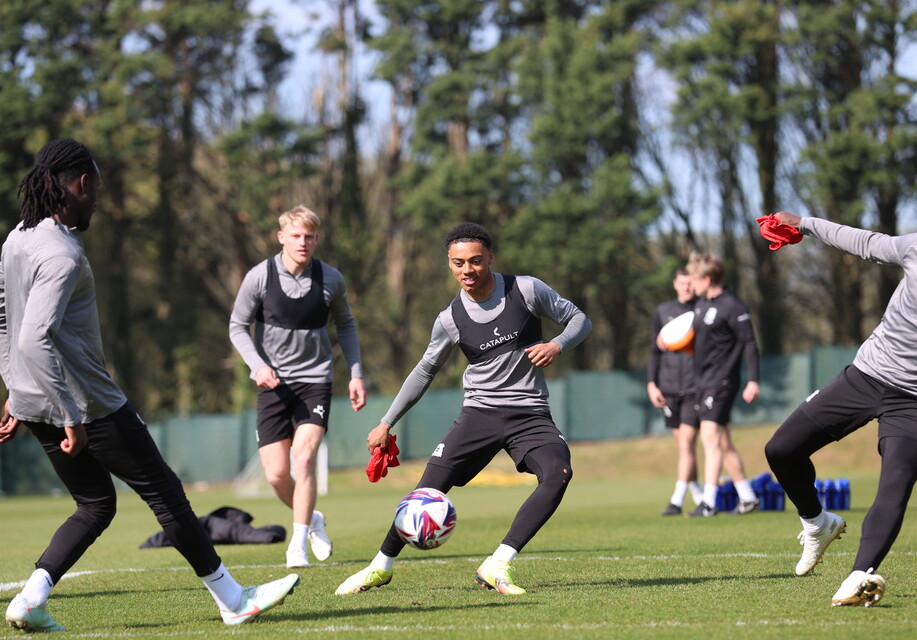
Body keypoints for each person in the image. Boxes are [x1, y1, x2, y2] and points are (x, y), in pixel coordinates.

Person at [0, 139, 299, 633]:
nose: (96, 197)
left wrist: (16, 390)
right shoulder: (61, 253)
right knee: (166, 495)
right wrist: (70, 412)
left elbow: (6, 323)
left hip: (33, 402)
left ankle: (30, 598)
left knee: (95, 504)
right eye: (94, 186)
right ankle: (233, 599)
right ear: (78, 185)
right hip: (86, 405)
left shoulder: (16, 238)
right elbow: (33, 337)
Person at [335, 222, 591, 596]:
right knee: (426, 490)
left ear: (490, 257)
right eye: (457, 263)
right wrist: (386, 422)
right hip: (479, 414)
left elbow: (580, 319)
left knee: (558, 473)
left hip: (529, 414)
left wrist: (557, 345)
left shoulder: (527, 289)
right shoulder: (449, 319)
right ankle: (379, 567)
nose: (467, 271)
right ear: (449, 264)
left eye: (474, 261)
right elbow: (424, 370)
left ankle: (497, 564)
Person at [763, 188, 917, 607]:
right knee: (781, 450)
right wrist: (804, 224)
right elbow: (866, 242)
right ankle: (818, 523)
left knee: (895, 482)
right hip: (865, 377)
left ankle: (859, 575)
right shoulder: (916, 249)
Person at [229, 204, 365, 569]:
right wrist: (257, 367)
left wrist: (356, 374)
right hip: (273, 384)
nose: (302, 242)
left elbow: (347, 326)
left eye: (309, 236)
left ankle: (297, 545)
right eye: (295, 236)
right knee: (276, 475)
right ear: (281, 237)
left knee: (303, 459)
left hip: (316, 381)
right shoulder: (259, 277)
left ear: (317, 239)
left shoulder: (331, 279)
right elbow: (237, 327)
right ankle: (313, 519)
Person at [683, 252, 760, 517]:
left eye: (694, 279)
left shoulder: (733, 306)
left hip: (722, 381)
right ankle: (748, 497)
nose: (691, 284)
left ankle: (709, 502)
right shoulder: (702, 305)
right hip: (702, 382)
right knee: (723, 442)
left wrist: (753, 380)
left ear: (706, 278)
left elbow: (750, 343)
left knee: (709, 438)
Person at [647, 267, 702, 515]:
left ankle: (677, 500)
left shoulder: (703, 309)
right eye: (682, 283)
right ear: (675, 284)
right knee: (684, 447)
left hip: (694, 387)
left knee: (686, 446)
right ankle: (701, 496)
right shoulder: (663, 311)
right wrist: (651, 383)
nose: (686, 287)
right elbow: (654, 351)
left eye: (690, 283)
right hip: (668, 388)